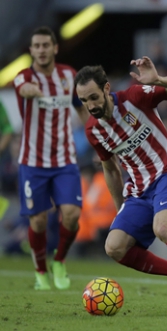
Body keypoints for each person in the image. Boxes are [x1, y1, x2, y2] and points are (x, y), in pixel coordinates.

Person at [74, 56, 167, 316]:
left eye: (93, 97)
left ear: (106, 89)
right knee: (114, 247)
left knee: (163, 228)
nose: (90, 105)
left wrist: (157, 80)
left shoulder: (135, 97)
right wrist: (120, 210)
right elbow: (110, 168)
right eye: (84, 101)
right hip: (138, 191)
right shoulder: (94, 130)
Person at [13, 26, 89, 290]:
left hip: (65, 160)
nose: (42, 50)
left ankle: (60, 261)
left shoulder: (69, 75)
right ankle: (40, 272)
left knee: (71, 214)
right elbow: (24, 91)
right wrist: (36, 92)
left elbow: (81, 108)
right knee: (38, 220)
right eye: (37, 46)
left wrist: (94, 135)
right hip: (33, 163)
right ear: (31, 50)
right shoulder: (23, 77)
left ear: (55, 48)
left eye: (46, 45)